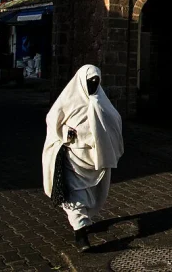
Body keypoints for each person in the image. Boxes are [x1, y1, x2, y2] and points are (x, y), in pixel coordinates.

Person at [42, 64, 124, 251]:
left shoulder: (101, 102)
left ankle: (84, 221)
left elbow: (115, 124)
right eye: (89, 81)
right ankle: (80, 235)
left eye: (96, 81)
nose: (93, 84)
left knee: (92, 194)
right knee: (74, 196)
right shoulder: (69, 100)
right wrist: (68, 134)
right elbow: (53, 120)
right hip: (73, 159)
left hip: (95, 160)